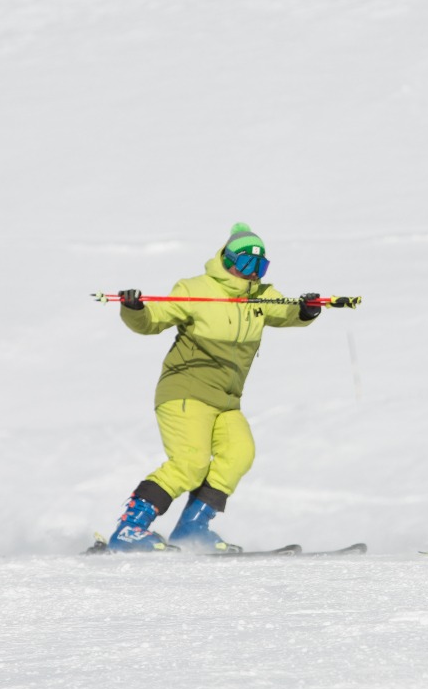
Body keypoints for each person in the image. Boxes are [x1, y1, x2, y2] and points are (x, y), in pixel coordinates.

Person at [103, 223, 323, 553]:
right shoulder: (195, 289)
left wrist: (305, 311)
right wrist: (135, 309)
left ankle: (192, 528)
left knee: (238, 454)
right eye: (247, 264)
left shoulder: (261, 296)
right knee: (190, 463)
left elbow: (287, 311)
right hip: (185, 392)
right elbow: (154, 319)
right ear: (228, 259)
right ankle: (129, 529)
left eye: (259, 267)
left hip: (226, 400)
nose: (252, 273)